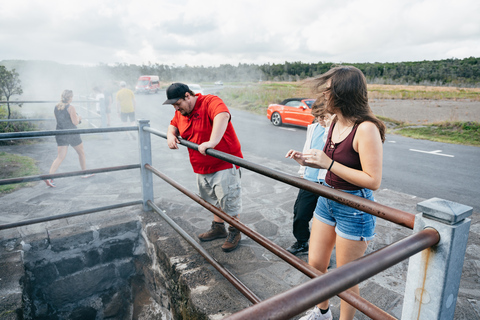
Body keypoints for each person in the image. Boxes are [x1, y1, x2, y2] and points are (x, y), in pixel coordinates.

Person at [289, 66, 385, 320]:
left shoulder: (365, 128)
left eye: (329, 90)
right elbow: (328, 161)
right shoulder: (334, 123)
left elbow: (372, 180)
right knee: (316, 264)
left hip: (354, 207)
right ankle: (322, 313)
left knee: (345, 276)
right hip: (327, 199)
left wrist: (327, 163)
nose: (323, 96)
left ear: (344, 93)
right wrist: (307, 162)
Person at [164, 83, 244, 252]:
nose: (176, 108)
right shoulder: (181, 112)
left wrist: (212, 142)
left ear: (188, 96)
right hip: (201, 166)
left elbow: (222, 115)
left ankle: (235, 232)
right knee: (212, 200)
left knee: (228, 202)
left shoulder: (210, 101)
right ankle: (218, 227)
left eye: (178, 104)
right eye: (173, 106)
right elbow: (173, 124)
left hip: (224, 164)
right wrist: (170, 135)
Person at [285, 103, 333, 255]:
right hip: (309, 179)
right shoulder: (312, 128)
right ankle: (301, 242)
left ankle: (324, 252)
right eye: (317, 116)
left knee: (327, 220)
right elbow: (308, 149)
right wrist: (302, 168)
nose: (320, 120)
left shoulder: (336, 131)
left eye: (323, 116)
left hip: (328, 182)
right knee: (300, 213)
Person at [45, 90, 94, 188]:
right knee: (81, 153)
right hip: (71, 133)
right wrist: (79, 118)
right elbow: (75, 122)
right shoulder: (71, 107)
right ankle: (84, 173)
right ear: (70, 97)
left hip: (60, 133)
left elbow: (59, 120)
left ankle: (50, 177)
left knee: (60, 157)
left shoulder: (56, 107)